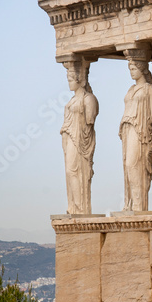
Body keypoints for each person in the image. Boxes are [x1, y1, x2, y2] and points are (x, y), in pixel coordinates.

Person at [119, 59, 152, 211]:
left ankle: (139, 205)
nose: (131, 71)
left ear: (142, 69)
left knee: (134, 164)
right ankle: (130, 204)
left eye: (134, 68)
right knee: (127, 166)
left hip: (141, 131)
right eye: (130, 69)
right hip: (128, 129)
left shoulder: (151, 89)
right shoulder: (130, 89)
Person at [60, 61, 98, 215]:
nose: (68, 83)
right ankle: (74, 206)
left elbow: (89, 121)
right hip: (69, 137)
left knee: (73, 171)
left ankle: (80, 207)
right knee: (69, 173)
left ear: (79, 79)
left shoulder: (89, 99)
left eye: (71, 80)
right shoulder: (72, 100)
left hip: (79, 140)